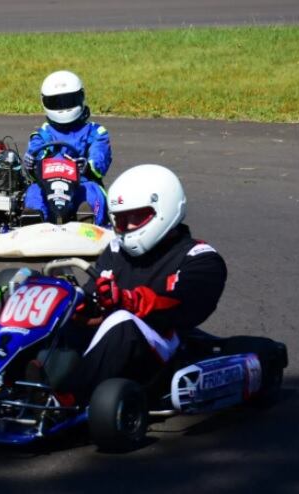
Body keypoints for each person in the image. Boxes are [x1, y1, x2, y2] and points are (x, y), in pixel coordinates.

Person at [57, 164, 228, 403]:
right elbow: (93, 296)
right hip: (111, 345)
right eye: (120, 219)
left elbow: (185, 308)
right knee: (58, 312)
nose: (126, 227)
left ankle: (67, 399)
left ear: (164, 210)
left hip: (164, 351)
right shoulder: (116, 250)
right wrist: (81, 305)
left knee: (123, 321)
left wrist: (128, 301)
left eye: (136, 217)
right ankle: (11, 380)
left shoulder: (200, 258)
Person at [22, 70, 112, 226]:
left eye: (69, 100)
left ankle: (87, 221)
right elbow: (36, 151)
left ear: (80, 97)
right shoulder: (43, 134)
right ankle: (34, 221)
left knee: (92, 192)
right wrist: (32, 161)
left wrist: (88, 166)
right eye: (57, 102)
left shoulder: (95, 132)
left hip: (82, 183)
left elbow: (100, 155)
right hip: (48, 185)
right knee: (34, 192)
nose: (63, 108)